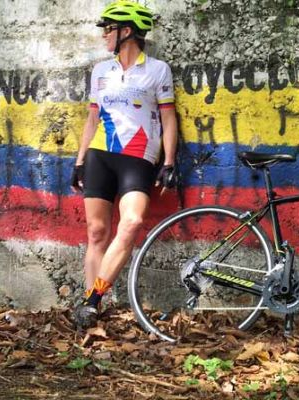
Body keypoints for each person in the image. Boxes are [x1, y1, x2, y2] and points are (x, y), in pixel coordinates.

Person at [70, 0, 178, 329]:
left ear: (126, 32)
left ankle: (92, 298)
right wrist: (79, 161)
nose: (104, 35)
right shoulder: (101, 71)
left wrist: (170, 160)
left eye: (109, 29)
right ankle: (92, 311)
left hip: (139, 156)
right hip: (100, 155)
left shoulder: (157, 70)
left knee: (131, 223)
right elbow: (91, 120)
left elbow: (169, 118)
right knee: (97, 231)